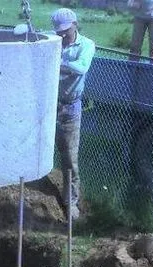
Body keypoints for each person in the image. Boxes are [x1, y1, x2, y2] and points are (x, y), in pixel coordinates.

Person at [50, 8, 95, 220]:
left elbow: (81, 67)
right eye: (59, 31)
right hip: (49, 105)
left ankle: (71, 202)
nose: (62, 35)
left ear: (75, 24)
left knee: (69, 157)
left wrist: (58, 64)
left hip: (70, 107)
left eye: (65, 30)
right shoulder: (54, 41)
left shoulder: (86, 45)